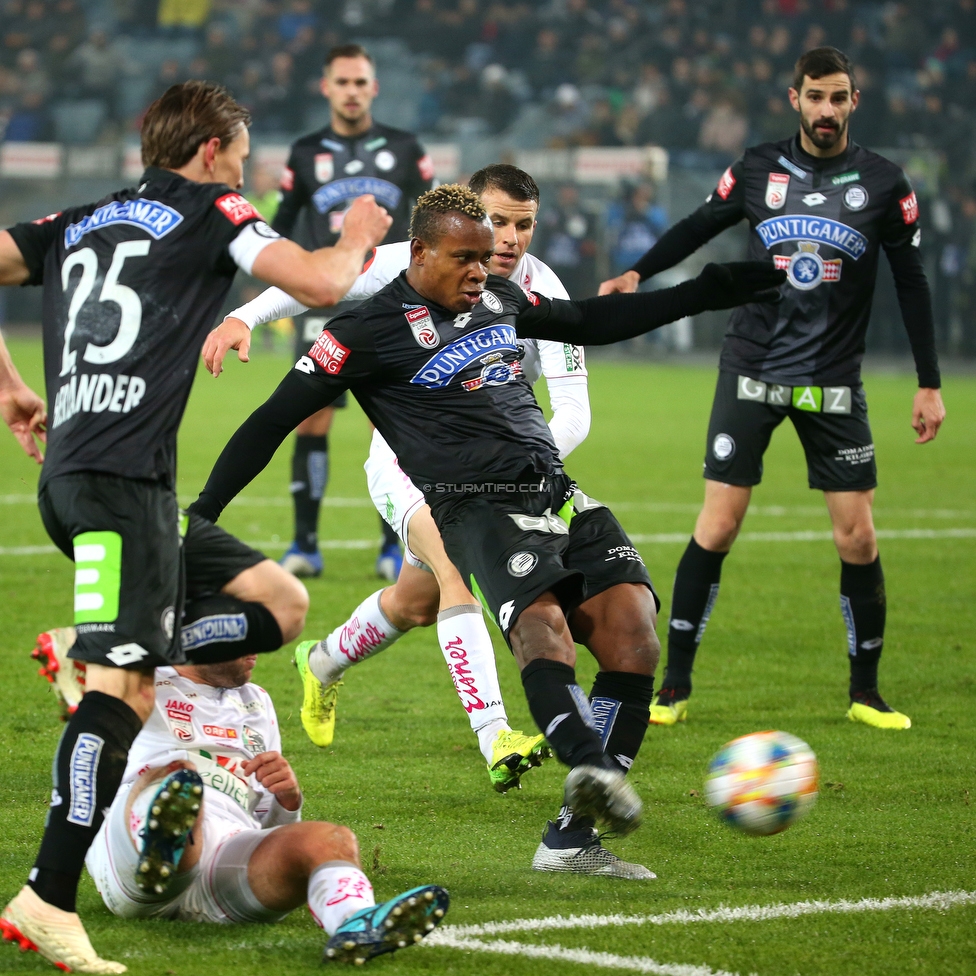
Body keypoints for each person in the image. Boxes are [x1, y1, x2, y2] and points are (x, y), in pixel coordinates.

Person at [189, 184, 786, 879]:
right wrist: (202, 516)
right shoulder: (358, 334)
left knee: (634, 635)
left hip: (556, 491)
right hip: (476, 507)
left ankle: (570, 838)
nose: (481, 270)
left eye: (486, 258)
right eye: (464, 258)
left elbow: (593, 320)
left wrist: (715, 288)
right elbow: (268, 422)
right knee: (542, 625)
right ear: (419, 253)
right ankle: (590, 766)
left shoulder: (502, 299)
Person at [0, 80, 390, 974]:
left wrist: (10, 388)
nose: (244, 170)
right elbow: (325, 281)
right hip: (124, 486)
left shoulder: (82, 218)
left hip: (83, 483)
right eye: (242, 156)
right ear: (213, 149)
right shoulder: (214, 207)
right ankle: (48, 897)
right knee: (122, 698)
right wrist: (361, 233)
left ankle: (100, 652)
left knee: (278, 603)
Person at [211, 164, 588, 796]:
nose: (509, 238)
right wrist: (244, 317)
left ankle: (323, 660)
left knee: (414, 602)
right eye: (495, 221)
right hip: (406, 458)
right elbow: (321, 282)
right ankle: (496, 736)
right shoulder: (420, 262)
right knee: (450, 570)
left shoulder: (542, 290)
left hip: (497, 475)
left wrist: (519, 461)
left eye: (523, 225)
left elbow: (574, 408)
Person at [599, 47, 946, 731]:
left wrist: (928, 382)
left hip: (833, 380)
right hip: (752, 367)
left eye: (838, 97)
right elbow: (701, 225)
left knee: (859, 539)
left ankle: (866, 694)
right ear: (795, 99)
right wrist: (638, 273)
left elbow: (911, 281)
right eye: (815, 97)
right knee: (719, 524)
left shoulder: (883, 182)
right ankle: (674, 687)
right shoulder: (758, 168)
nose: (826, 110)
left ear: (854, 101)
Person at [84, 654, 448, 965]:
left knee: (330, 840)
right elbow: (81, 672)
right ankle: (159, 855)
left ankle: (355, 922)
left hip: (224, 860)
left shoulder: (255, 701)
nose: (257, 647)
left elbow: (265, 827)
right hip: (128, 851)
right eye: (243, 634)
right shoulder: (139, 681)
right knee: (180, 780)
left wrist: (287, 799)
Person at [272, 42, 435, 581]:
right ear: (326, 87)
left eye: (360, 82)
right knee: (310, 418)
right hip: (325, 303)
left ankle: (394, 549)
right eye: (342, 82)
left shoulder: (408, 149)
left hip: (392, 305)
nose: (351, 91)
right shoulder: (303, 152)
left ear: (374, 87)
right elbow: (282, 227)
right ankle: (304, 545)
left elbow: (430, 221)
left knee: (388, 423)